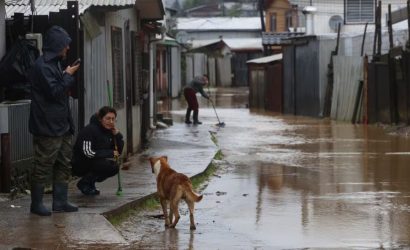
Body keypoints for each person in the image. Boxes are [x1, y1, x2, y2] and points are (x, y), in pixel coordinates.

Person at [28, 25, 80, 216]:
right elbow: (55, 92)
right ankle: (37, 204)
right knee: (43, 164)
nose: (67, 49)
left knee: (64, 162)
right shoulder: (42, 66)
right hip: (47, 126)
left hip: (62, 124)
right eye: (65, 45)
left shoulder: (56, 63)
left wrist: (65, 73)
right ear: (58, 45)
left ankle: (60, 201)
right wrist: (68, 75)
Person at [72, 106, 124, 196]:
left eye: (113, 119)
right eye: (108, 118)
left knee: (114, 167)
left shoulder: (109, 131)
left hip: (96, 161)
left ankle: (90, 183)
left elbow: (117, 152)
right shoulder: (89, 130)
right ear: (100, 119)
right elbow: (87, 152)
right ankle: (84, 183)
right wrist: (109, 153)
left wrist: (118, 136)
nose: (111, 122)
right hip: (81, 162)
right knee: (104, 165)